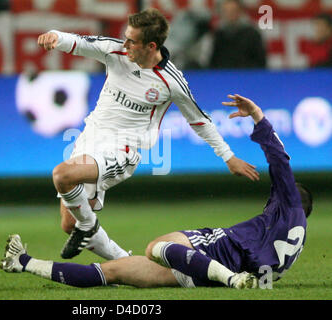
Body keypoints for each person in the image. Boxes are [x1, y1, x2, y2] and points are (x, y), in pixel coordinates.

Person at [1, 94, 312, 290]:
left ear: (291, 197)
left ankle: (230, 281)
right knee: (115, 271)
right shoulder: (297, 234)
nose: (272, 197)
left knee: (155, 249)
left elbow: (280, 159)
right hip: (204, 272)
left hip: (218, 251)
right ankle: (24, 262)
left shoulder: (288, 204)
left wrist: (258, 115)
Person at [36, 8, 259, 262]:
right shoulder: (115, 51)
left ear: (151, 46)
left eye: (132, 41)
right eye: (126, 37)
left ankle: (89, 226)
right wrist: (55, 36)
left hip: (123, 150)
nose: (126, 44)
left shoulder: (171, 81)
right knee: (69, 223)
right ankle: (127, 262)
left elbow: (199, 121)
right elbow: (80, 42)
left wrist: (228, 156)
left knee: (62, 175)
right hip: (90, 138)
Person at [209, 0, 266, 69]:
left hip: (247, 76)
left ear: (240, 12)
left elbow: (260, 61)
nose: (230, 14)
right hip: (223, 76)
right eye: (226, 11)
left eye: (233, 11)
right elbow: (213, 62)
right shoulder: (218, 35)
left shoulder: (252, 34)